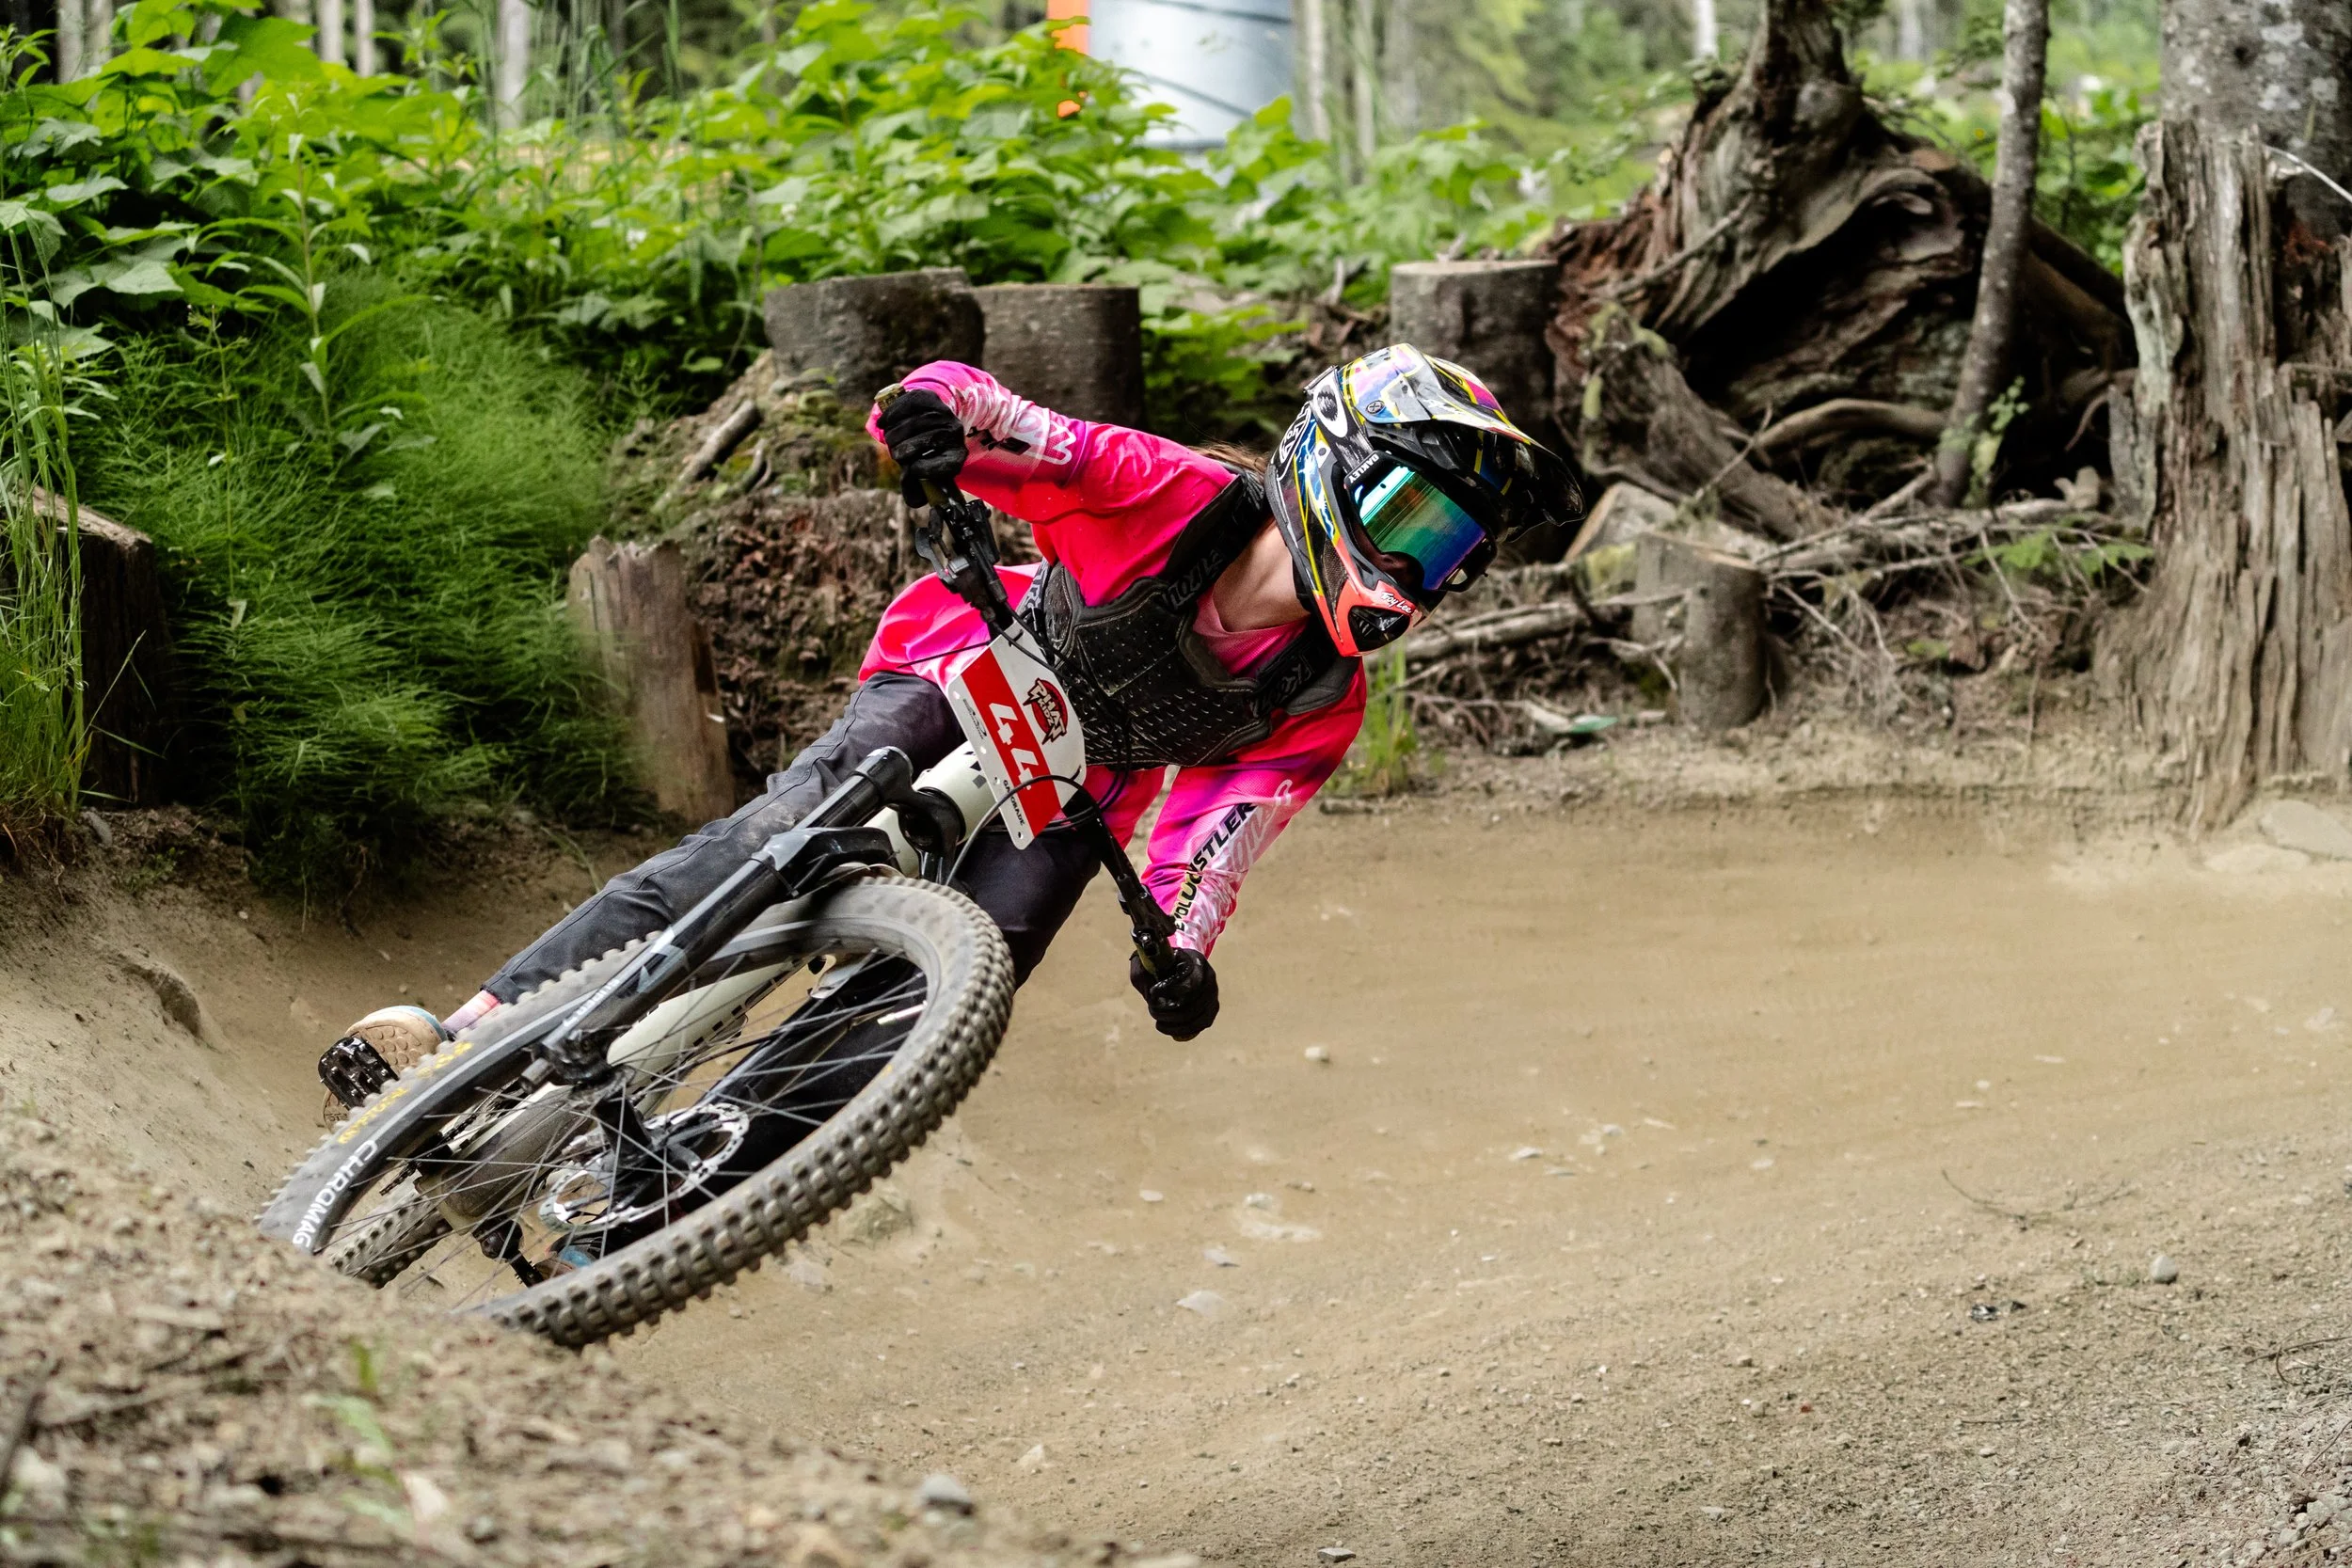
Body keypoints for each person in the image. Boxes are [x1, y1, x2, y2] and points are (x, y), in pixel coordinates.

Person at [317, 344, 1581, 1113]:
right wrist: (926, 413)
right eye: (1415, 523)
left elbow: (1218, 836)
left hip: (1079, 798)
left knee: (966, 972)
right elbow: (1013, 427)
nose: (1424, 568)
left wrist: (1183, 947)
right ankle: (463, 1029)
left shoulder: (1320, 698)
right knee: (795, 820)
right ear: (1333, 468)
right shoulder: (1173, 495)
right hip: (970, 664)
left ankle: (709, 1168)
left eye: (1451, 552)